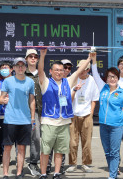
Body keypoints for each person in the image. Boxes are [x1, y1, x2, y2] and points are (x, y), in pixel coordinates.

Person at [38, 49, 91, 179]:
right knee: (45, 151)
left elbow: (79, 71)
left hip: (64, 122)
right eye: (56, 70)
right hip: (49, 122)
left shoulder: (67, 82)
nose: (59, 72)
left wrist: (89, 58)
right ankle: (43, 173)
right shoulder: (45, 82)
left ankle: (56, 173)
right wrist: (43, 55)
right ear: (50, 71)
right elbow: (40, 70)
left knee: (60, 151)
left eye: (61, 70)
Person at [0, 57, 35, 179]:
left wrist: (33, 118)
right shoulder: (8, 81)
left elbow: (32, 100)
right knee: (7, 148)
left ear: (25, 67)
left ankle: (19, 173)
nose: (20, 67)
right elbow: (0, 98)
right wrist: (2, 100)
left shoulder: (30, 82)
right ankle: (5, 174)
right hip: (10, 119)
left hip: (25, 120)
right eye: (17, 65)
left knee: (21, 148)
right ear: (13, 68)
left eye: (22, 65)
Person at [67, 60, 99, 173]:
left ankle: (86, 163)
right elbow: (68, 99)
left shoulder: (92, 81)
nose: (80, 71)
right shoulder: (73, 79)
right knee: (72, 141)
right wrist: (75, 90)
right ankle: (72, 163)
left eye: (83, 69)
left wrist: (91, 114)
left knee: (87, 141)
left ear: (88, 70)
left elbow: (94, 99)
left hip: (86, 115)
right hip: (73, 115)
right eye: (79, 68)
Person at [24, 49, 43, 176]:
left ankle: (34, 162)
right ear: (26, 59)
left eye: (35, 56)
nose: (33, 58)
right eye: (30, 56)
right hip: (24, 110)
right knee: (25, 138)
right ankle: (23, 163)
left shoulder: (41, 73)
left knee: (37, 137)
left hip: (40, 110)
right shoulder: (22, 74)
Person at [0, 61, 13, 166]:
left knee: (10, 137)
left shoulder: (16, 81)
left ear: (11, 69)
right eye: (2, 68)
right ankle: (1, 154)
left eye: (6, 67)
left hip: (13, 115)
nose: (4, 70)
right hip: (0, 114)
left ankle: (8, 156)